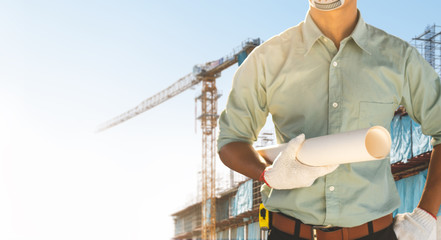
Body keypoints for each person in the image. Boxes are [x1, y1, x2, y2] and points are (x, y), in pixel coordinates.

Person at [217, 0, 441, 239]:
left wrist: (425, 215)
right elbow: (231, 142)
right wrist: (267, 174)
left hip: (374, 233)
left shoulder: (398, 58)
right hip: (289, 233)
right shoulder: (267, 60)